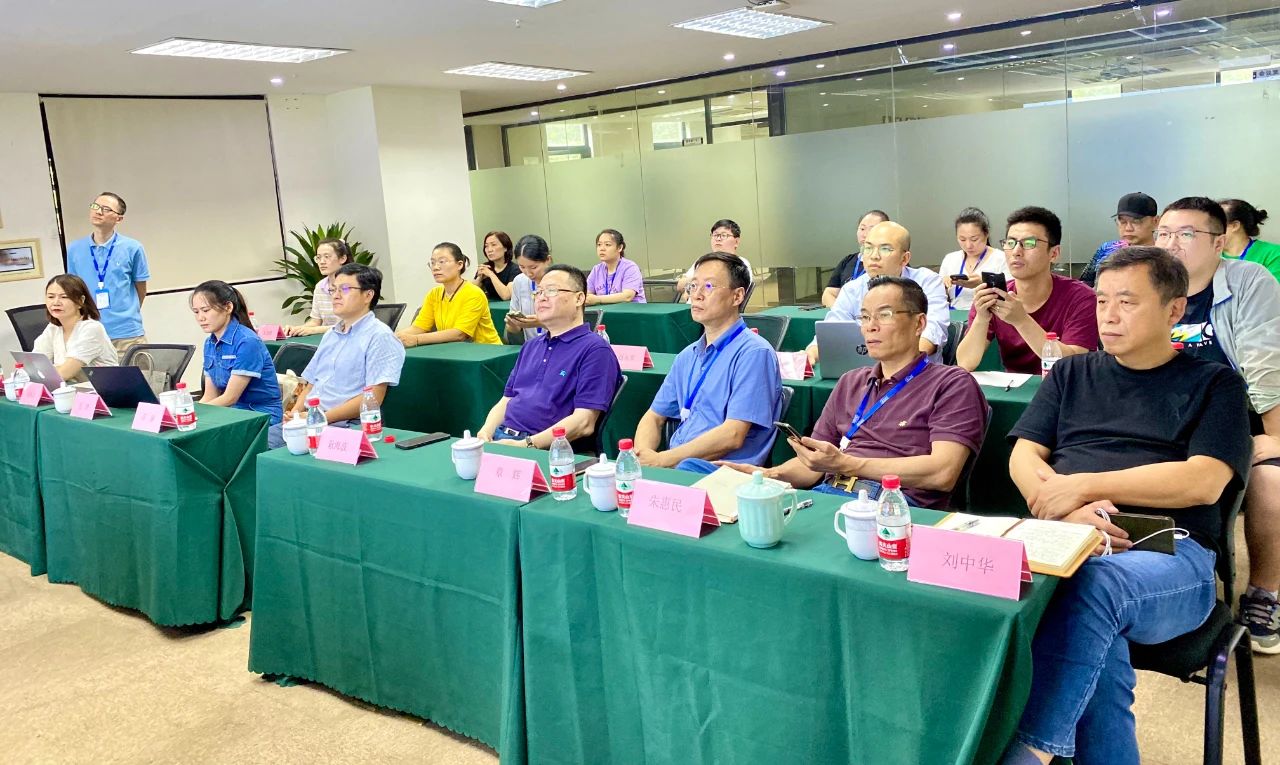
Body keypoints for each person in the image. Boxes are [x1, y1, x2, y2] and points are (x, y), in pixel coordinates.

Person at [999, 246, 1251, 765]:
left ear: (1174, 309)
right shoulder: (1071, 374)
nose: (1108, 316)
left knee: (1089, 586)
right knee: (1093, 640)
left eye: (1127, 302)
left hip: (1170, 553)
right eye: (1102, 301)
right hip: (1067, 536)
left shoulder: (1215, 384)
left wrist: (1081, 486)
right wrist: (1066, 509)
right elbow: (1024, 455)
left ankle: (1030, 753)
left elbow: (1204, 481)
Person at [721, 277, 985, 508]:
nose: (870, 326)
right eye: (865, 317)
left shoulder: (952, 383)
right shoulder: (851, 381)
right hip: (829, 493)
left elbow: (943, 473)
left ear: (919, 323)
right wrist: (767, 475)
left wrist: (845, 464)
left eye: (884, 315)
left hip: (893, 505)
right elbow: (811, 467)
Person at [1157, 196, 1280, 653]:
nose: (1172, 244)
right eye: (1164, 233)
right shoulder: (1150, 281)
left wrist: (1273, 436)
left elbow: (1266, 365)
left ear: (1218, 242)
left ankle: (1264, 592)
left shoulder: (1248, 281)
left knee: (1270, 478)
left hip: (1239, 419)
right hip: (1163, 419)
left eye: (1186, 234)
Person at [633, 252, 781, 471]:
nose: (696, 295)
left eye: (709, 286)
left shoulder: (754, 353)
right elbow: (654, 417)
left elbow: (733, 435)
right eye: (693, 286)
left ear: (737, 296)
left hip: (721, 472)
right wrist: (643, 457)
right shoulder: (687, 356)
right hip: (677, 465)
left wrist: (663, 460)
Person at [478, 265, 622, 448]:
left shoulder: (595, 350)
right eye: (538, 292)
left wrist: (526, 445)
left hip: (546, 449)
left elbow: (584, 422)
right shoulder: (531, 346)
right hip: (503, 438)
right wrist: (486, 431)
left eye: (551, 290)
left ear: (579, 298)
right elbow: (507, 399)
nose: (542, 297)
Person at [957, 206, 1099, 375]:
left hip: (1065, 386)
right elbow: (965, 363)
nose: (1016, 251)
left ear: (1054, 253)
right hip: (1014, 387)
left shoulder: (1081, 297)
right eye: (1010, 243)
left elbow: (1073, 365)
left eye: (1029, 243)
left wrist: (1021, 320)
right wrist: (981, 319)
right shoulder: (995, 296)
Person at [807, 221, 948, 366]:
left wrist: (900, 363)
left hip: (917, 372)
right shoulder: (852, 289)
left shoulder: (927, 282)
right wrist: (811, 353)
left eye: (885, 249)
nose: (874, 256)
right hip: (863, 371)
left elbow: (934, 329)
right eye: (868, 248)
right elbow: (832, 330)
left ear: (904, 258)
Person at [286, 263, 405, 425]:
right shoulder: (330, 334)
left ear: (368, 295)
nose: (336, 295)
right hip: (311, 418)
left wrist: (318, 419)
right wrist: (294, 415)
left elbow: (373, 397)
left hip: (346, 423)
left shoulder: (380, 337)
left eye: (345, 289)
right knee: (262, 438)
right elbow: (312, 384)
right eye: (333, 289)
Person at [192, 281, 285, 449]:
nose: (200, 318)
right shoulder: (209, 343)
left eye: (206, 310)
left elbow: (230, 397)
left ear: (228, 307)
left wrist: (192, 414)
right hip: (232, 413)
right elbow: (210, 395)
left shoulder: (247, 341)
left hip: (260, 417)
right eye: (196, 312)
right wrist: (191, 411)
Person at [65, 192, 150, 355]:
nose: (98, 211)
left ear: (119, 218)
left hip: (127, 334)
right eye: (95, 206)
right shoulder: (75, 249)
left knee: (135, 371)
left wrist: (127, 313)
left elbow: (141, 289)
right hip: (90, 332)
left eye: (106, 209)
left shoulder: (133, 248)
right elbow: (73, 289)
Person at [396, 242, 503, 347]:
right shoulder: (434, 294)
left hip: (487, 350)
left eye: (442, 262)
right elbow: (419, 327)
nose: (436, 267)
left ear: (459, 264)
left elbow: (459, 334)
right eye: (432, 263)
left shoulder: (474, 293)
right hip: (454, 349)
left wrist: (416, 339)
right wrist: (393, 337)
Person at [32, 274, 118, 383]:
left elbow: (64, 373)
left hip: (102, 390)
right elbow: (34, 364)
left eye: (64, 297)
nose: (56, 302)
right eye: (51, 297)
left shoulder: (92, 329)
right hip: (72, 389)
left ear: (81, 301)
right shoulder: (53, 328)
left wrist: (43, 372)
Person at [1078, 192, 1158, 287]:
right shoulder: (1107, 249)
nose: (1128, 228)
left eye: (1136, 222)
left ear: (1155, 221)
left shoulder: (1164, 257)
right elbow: (1084, 284)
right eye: (1122, 222)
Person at [939, 207, 1011, 311]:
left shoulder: (1002, 258)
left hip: (990, 315)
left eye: (974, 239)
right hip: (955, 315)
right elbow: (937, 299)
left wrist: (983, 282)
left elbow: (1011, 294)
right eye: (962, 239)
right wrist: (943, 286)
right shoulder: (950, 259)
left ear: (986, 234)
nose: (968, 245)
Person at [284, 239, 352, 337]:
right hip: (328, 339)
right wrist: (296, 329)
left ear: (342, 258)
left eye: (327, 257)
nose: (322, 262)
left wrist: (314, 330)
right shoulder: (320, 286)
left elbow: (348, 325)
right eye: (318, 258)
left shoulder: (353, 286)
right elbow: (315, 321)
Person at [822, 209, 890, 307]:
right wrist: (843, 312)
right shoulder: (848, 260)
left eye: (871, 229)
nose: (865, 234)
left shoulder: (893, 261)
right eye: (862, 229)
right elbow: (829, 294)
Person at [674, 219, 754, 301]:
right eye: (715, 235)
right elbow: (680, 285)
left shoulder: (740, 263)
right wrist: (689, 287)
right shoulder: (703, 261)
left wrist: (693, 284)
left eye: (723, 235)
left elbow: (724, 292)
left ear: (736, 241)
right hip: (692, 307)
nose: (718, 239)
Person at [505, 234, 553, 342]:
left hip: (561, 346)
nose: (528, 273)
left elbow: (571, 324)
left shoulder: (562, 281)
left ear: (548, 260)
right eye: (522, 267)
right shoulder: (519, 281)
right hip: (533, 346)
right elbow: (514, 330)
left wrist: (541, 323)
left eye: (533, 267)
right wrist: (513, 325)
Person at [1221, 198, 1280, 283]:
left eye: (1215, 222)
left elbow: (1274, 290)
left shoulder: (1273, 254)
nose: (1209, 227)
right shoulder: (1208, 254)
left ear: (1235, 226)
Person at [585, 229, 646, 304]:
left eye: (607, 245)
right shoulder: (596, 269)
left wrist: (598, 299)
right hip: (606, 311)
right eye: (599, 245)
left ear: (620, 248)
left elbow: (627, 296)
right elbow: (587, 294)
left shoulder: (630, 267)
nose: (602, 249)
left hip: (632, 310)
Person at [474, 230, 520, 301]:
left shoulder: (515, 269)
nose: (489, 250)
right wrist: (479, 278)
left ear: (505, 247)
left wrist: (491, 274)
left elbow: (506, 296)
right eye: (486, 246)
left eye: (494, 245)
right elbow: (471, 293)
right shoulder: (485, 267)